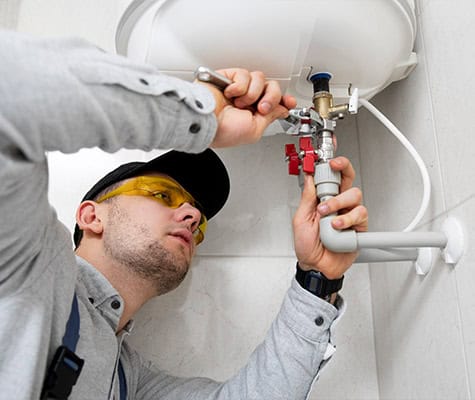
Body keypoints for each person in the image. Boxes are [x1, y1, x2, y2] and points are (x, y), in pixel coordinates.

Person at [0, 30, 367, 400]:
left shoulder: (126, 380)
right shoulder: (26, 264)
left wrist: (316, 279)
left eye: (200, 220)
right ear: (92, 217)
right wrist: (197, 113)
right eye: (163, 194)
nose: (192, 214)